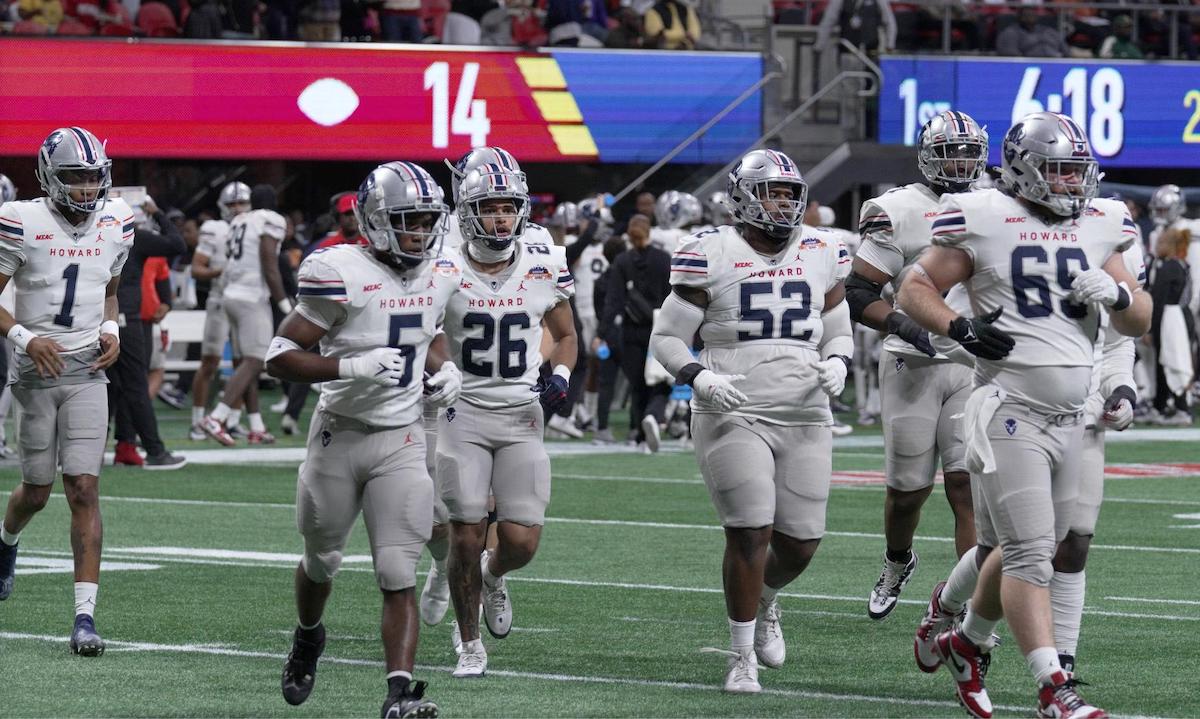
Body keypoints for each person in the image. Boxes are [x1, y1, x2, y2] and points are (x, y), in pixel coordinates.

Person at [897, 111, 1149, 718]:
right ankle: (1052, 686)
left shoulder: (1103, 220)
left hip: (1073, 417)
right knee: (1032, 552)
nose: (1071, 183)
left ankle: (965, 641)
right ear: (1024, 170)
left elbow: (1137, 318)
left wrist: (1119, 295)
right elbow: (914, 288)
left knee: (1023, 548)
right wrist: (959, 327)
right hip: (1007, 409)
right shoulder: (981, 213)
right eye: (1058, 171)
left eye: (1076, 171)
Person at [650, 149, 852, 693]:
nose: (782, 203)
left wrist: (838, 359)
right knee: (749, 530)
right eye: (771, 193)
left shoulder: (822, 249)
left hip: (805, 410)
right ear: (742, 197)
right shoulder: (710, 251)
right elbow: (666, 337)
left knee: (802, 543)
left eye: (789, 193)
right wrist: (698, 376)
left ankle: (765, 597)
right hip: (733, 409)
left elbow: (838, 325)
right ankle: (741, 656)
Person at [266, 161, 460, 718]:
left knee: (397, 570)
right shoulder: (339, 270)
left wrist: (445, 368)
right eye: (407, 221)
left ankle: (398, 694)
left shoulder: (442, 270)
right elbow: (279, 357)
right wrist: (349, 366)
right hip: (340, 434)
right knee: (321, 559)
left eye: (426, 220)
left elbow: (429, 330)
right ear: (375, 221)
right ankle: (308, 635)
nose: (419, 232)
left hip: (402, 437)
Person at [436, 162, 577, 678]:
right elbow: (425, 331)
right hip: (464, 411)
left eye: (507, 208)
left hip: (521, 413)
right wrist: (441, 369)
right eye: (489, 209)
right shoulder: (443, 265)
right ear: (467, 213)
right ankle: (470, 644)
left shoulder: (543, 261)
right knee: (465, 532)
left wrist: (561, 373)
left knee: (520, 542)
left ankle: (494, 575)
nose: (500, 218)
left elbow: (566, 334)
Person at [848, 110, 988, 620]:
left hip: (974, 365)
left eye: (969, 153)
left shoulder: (997, 205)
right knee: (907, 492)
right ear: (928, 156)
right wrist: (901, 324)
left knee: (965, 486)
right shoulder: (898, 209)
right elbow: (858, 291)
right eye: (951, 153)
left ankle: (968, 607)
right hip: (913, 362)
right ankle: (897, 559)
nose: (961, 163)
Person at [0, 126, 133, 656]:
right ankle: (7, 541)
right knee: (36, 491)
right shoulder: (21, 221)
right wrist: (26, 339)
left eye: (92, 177)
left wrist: (112, 329)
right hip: (36, 371)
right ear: (49, 177)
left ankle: (85, 618)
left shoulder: (117, 220)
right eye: (74, 177)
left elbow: (109, 292)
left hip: (86, 369)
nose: (86, 188)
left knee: (83, 488)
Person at [198, 184, 289, 445]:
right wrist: (285, 304)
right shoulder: (270, 219)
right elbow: (269, 264)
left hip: (230, 295)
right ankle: (217, 417)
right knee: (255, 361)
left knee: (245, 364)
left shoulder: (239, 221)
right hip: (251, 297)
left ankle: (256, 426)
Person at [109, 197, 187, 469]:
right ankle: (154, 450)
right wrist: (158, 213)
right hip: (126, 318)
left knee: (101, 386)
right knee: (134, 386)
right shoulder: (136, 237)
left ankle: (84, 452)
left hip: (96, 316)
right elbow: (177, 244)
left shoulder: (92, 235)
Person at [600, 212, 672, 450]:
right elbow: (674, 297)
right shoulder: (663, 259)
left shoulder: (622, 261)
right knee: (661, 381)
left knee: (638, 385)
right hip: (660, 328)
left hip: (631, 331)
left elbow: (613, 301)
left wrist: (601, 333)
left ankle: (640, 436)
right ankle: (653, 415)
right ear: (649, 230)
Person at [189, 182, 249, 440]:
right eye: (232, 204)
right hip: (220, 300)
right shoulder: (214, 229)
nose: (237, 208)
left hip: (247, 302)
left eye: (241, 203)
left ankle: (232, 420)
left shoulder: (256, 226)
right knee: (210, 362)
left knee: (243, 364)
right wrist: (221, 271)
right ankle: (197, 421)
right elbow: (196, 269)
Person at [1147, 227, 1193, 424]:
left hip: (1170, 319)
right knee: (1167, 362)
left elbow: (1157, 299)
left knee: (1172, 361)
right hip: (1182, 316)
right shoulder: (1182, 264)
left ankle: (1180, 407)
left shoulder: (1169, 267)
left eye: (1160, 243)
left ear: (1170, 245)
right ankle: (1160, 406)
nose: (1157, 246)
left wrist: (1149, 327)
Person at [996, 7, 1067, 58]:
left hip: (1057, 62)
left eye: (1032, 15)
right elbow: (1010, 55)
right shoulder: (1010, 33)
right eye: (1026, 15)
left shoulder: (1048, 31)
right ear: (1019, 17)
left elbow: (1066, 51)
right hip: (1029, 65)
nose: (1030, 18)